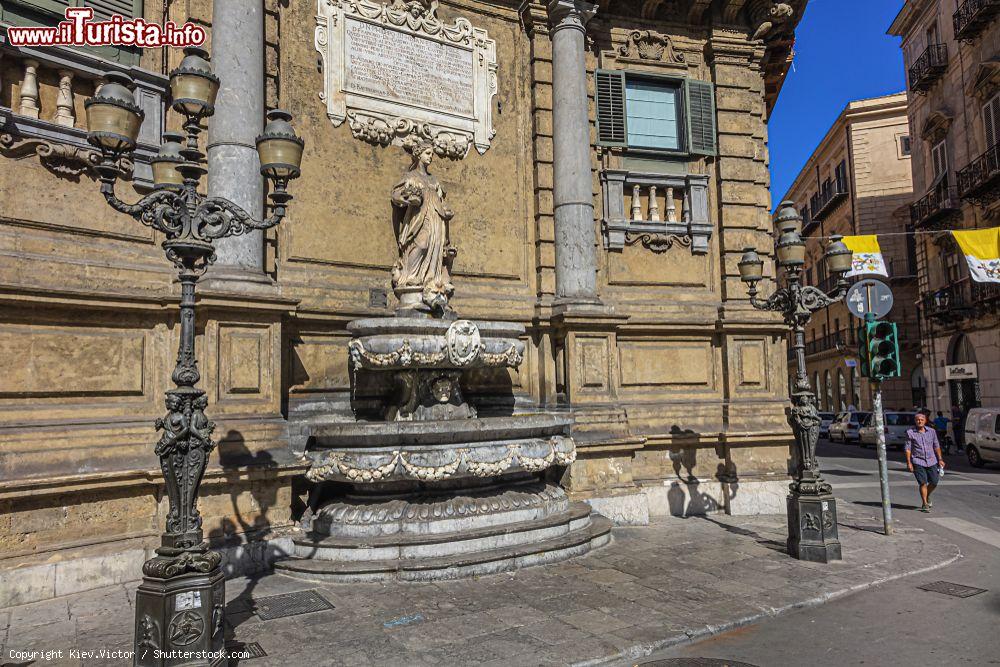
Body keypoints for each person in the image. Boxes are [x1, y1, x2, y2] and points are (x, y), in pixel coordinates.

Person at [905, 413, 945, 512]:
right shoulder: (910, 432)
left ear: (925, 421)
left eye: (922, 419)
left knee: (934, 482)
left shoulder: (932, 431)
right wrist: (909, 462)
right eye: (918, 420)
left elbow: (936, 446)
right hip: (918, 461)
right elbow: (908, 449)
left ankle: (927, 495)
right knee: (922, 483)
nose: (920, 421)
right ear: (915, 421)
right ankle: (925, 503)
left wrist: (940, 459)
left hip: (932, 460)